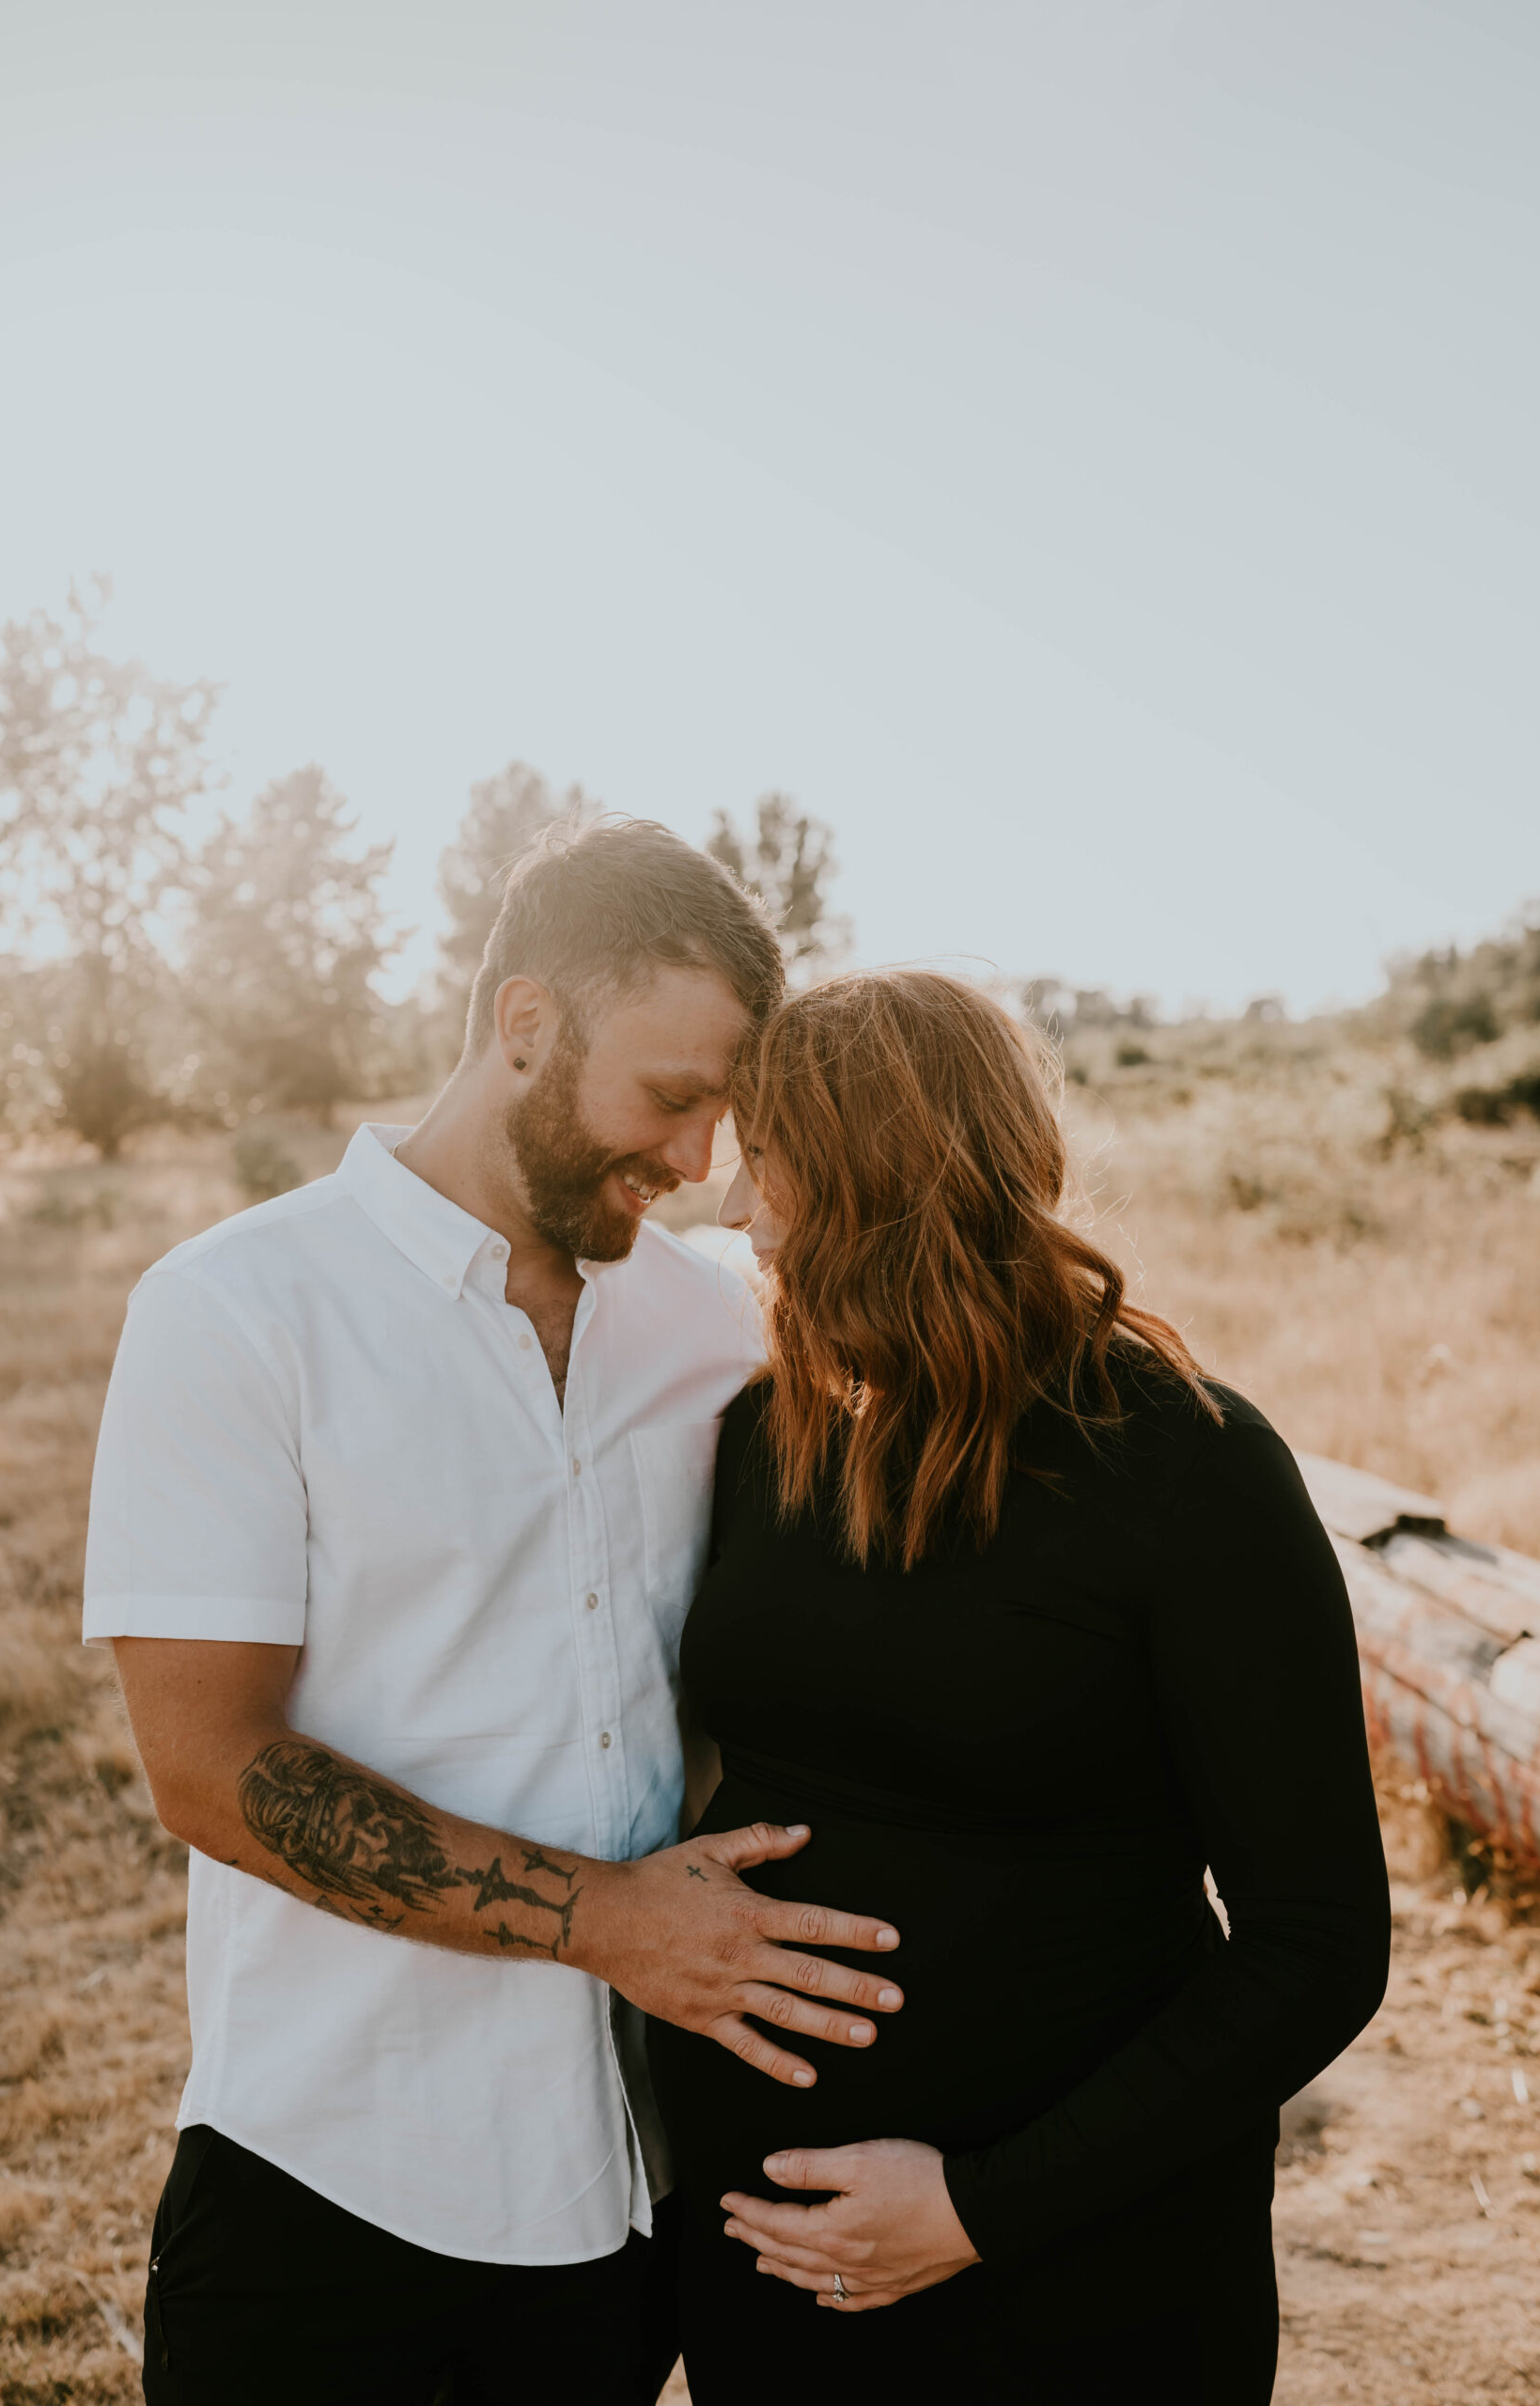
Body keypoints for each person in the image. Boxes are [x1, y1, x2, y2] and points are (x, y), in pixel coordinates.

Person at [83, 819, 908, 2406]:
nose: (693, 1167)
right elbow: (209, 1765)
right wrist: (613, 1924)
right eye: (671, 1101)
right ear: (525, 1024)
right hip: (334, 2177)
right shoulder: (237, 1312)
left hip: (633, 2186)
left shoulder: (708, 1327)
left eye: (720, 1122)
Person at [647, 970, 1392, 2406]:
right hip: (775, 2267)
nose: (737, 1210)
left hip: (1081, 2276)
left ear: (880, 1177)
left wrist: (982, 2208)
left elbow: (1318, 1943)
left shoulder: (1190, 1468)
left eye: (772, 1161)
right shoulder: (767, 1437)